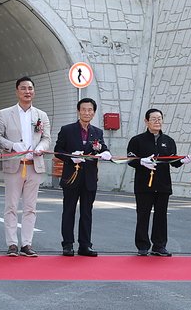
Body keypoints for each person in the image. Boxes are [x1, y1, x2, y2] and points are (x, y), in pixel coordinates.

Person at [0, 77, 52, 257]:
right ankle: (12, 243)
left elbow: (46, 137)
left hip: (34, 166)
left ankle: (27, 243)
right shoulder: (4, 114)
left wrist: (41, 148)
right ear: (17, 91)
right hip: (14, 165)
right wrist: (13, 146)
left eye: (30, 88)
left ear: (34, 91)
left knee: (30, 207)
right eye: (23, 88)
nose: (27, 92)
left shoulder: (41, 115)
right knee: (11, 206)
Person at [53, 97, 113, 257]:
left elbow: (102, 148)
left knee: (87, 213)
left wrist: (106, 153)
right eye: (84, 109)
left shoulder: (97, 132)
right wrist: (70, 157)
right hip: (71, 177)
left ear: (94, 112)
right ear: (78, 111)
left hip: (90, 178)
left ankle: (85, 245)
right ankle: (67, 244)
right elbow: (58, 150)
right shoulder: (67, 129)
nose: (87, 112)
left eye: (90, 110)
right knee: (69, 211)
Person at [125, 108, 183, 257]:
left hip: (163, 185)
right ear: (146, 121)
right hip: (144, 185)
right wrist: (141, 162)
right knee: (143, 215)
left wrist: (183, 160)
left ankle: (159, 245)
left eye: (160, 119)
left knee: (161, 216)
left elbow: (174, 161)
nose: (157, 122)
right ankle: (142, 245)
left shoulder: (168, 141)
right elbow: (130, 159)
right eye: (154, 119)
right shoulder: (137, 140)